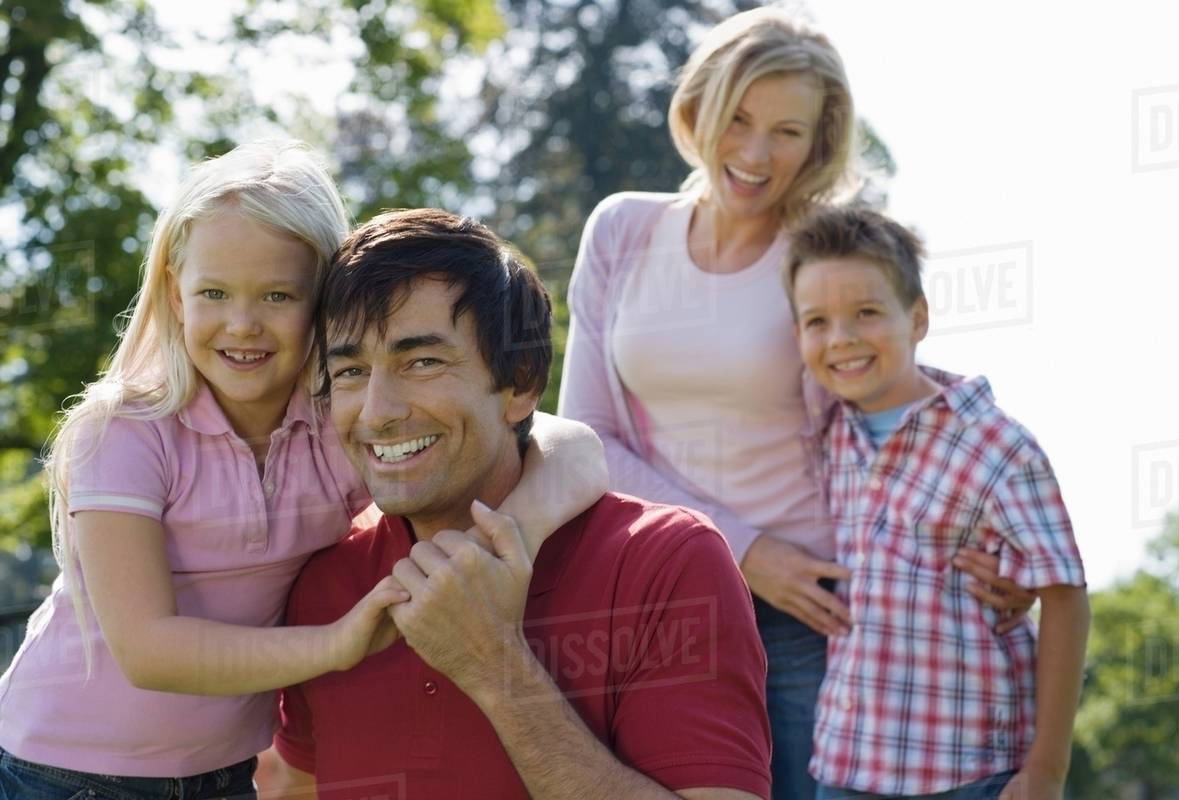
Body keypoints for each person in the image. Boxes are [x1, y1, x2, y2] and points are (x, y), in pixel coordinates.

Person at [0, 141, 606, 800]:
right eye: (214, 293)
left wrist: (490, 548)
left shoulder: (338, 428)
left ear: (324, 302)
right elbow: (147, 649)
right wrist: (337, 644)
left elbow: (571, 447)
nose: (243, 323)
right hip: (57, 772)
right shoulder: (126, 431)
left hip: (220, 777)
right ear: (176, 296)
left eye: (277, 295)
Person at [557, 8, 1033, 797]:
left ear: (820, 142)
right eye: (738, 117)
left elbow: (895, 399)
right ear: (699, 104)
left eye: (786, 131)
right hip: (674, 600)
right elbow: (586, 438)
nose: (753, 152)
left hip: (820, 606)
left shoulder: (819, 255)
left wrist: (1001, 541)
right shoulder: (622, 230)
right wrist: (743, 550)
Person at [267, 208, 772, 800]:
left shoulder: (669, 562)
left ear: (522, 382)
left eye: (422, 362)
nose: (377, 411)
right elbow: (295, 787)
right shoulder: (323, 577)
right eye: (350, 371)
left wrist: (494, 666)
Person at [786, 207, 1090, 800]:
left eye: (867, 313)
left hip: (969, 771)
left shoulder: (997, 445)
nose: (842, 338)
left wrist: (1047, 772)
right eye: (816, 321)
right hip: (847, 763)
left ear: (917, 316)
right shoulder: (829, 430)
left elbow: (1066, 596)